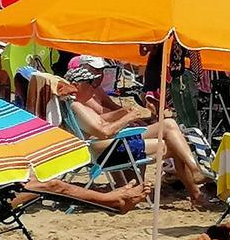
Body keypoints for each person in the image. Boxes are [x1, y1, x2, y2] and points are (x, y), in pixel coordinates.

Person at [66, 57, 207, 207]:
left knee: (169, 125)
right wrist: (128, 118)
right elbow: (104, 132)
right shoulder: (77, 106)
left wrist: (122, 112)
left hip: (110, 144)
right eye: (90, 83)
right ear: (77, 85)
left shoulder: (75, 103)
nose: (94, 85)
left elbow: (101, 120)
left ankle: (195, 175)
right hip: (108, 149)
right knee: (173, 144)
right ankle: (195, 189)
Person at [0, 179, 151, 214]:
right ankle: (113, 202)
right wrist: (3, 182)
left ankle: (112, 200)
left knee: (48, 182)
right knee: (53, 186)